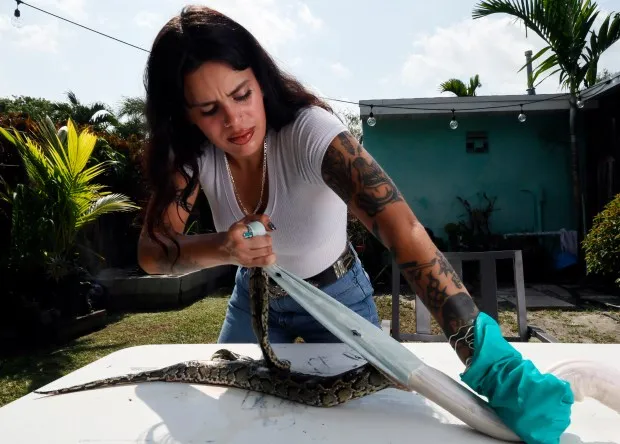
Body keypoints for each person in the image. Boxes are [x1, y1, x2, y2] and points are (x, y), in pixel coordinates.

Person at [137, 7, 573, 441]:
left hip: (338, 297)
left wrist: (489, 359)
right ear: (185, 114)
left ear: (260, 79)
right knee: (231, 420)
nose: (234, 121)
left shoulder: (311, 134)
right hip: (253, 299)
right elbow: (152, 254)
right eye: (210, 109)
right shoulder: (191, 157)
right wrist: (224, 249)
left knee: (366, 426)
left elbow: (404, 231)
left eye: (242, 94)